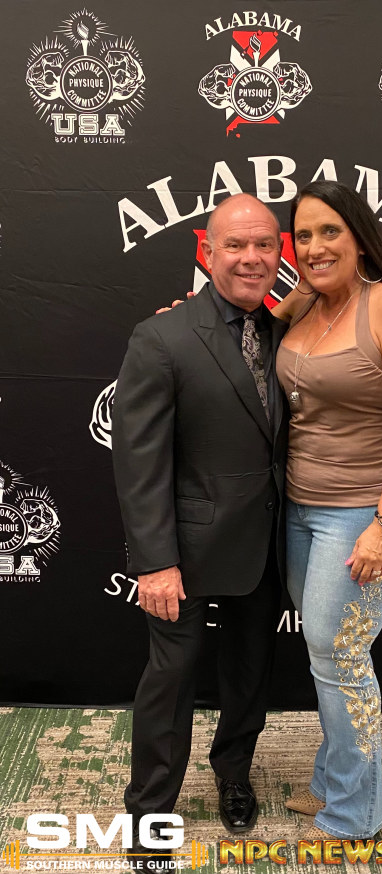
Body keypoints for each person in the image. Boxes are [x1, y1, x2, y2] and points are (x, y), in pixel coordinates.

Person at [111, 194, 289, 866]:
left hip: (266, 544)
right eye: (235, 245)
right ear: (207, 252)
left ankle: (234, 774)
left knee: (249, 672)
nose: (251, 258)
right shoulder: (162, 336)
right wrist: (155, 561)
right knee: (172, 678)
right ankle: (149, 811)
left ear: (279, 252)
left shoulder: (288, 332)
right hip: (183, 552)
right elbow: (140, 461)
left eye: (264, 244)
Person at [273, 180, 382, 840]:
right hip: (301, 509)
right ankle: (332, 780)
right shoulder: (305, 304)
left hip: (367, 514)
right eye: (303, 235)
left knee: (338, 656)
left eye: (329, 231)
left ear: (359, 237)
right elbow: (241, 335)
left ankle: (354, 810)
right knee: (328, 655)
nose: (315, 246)